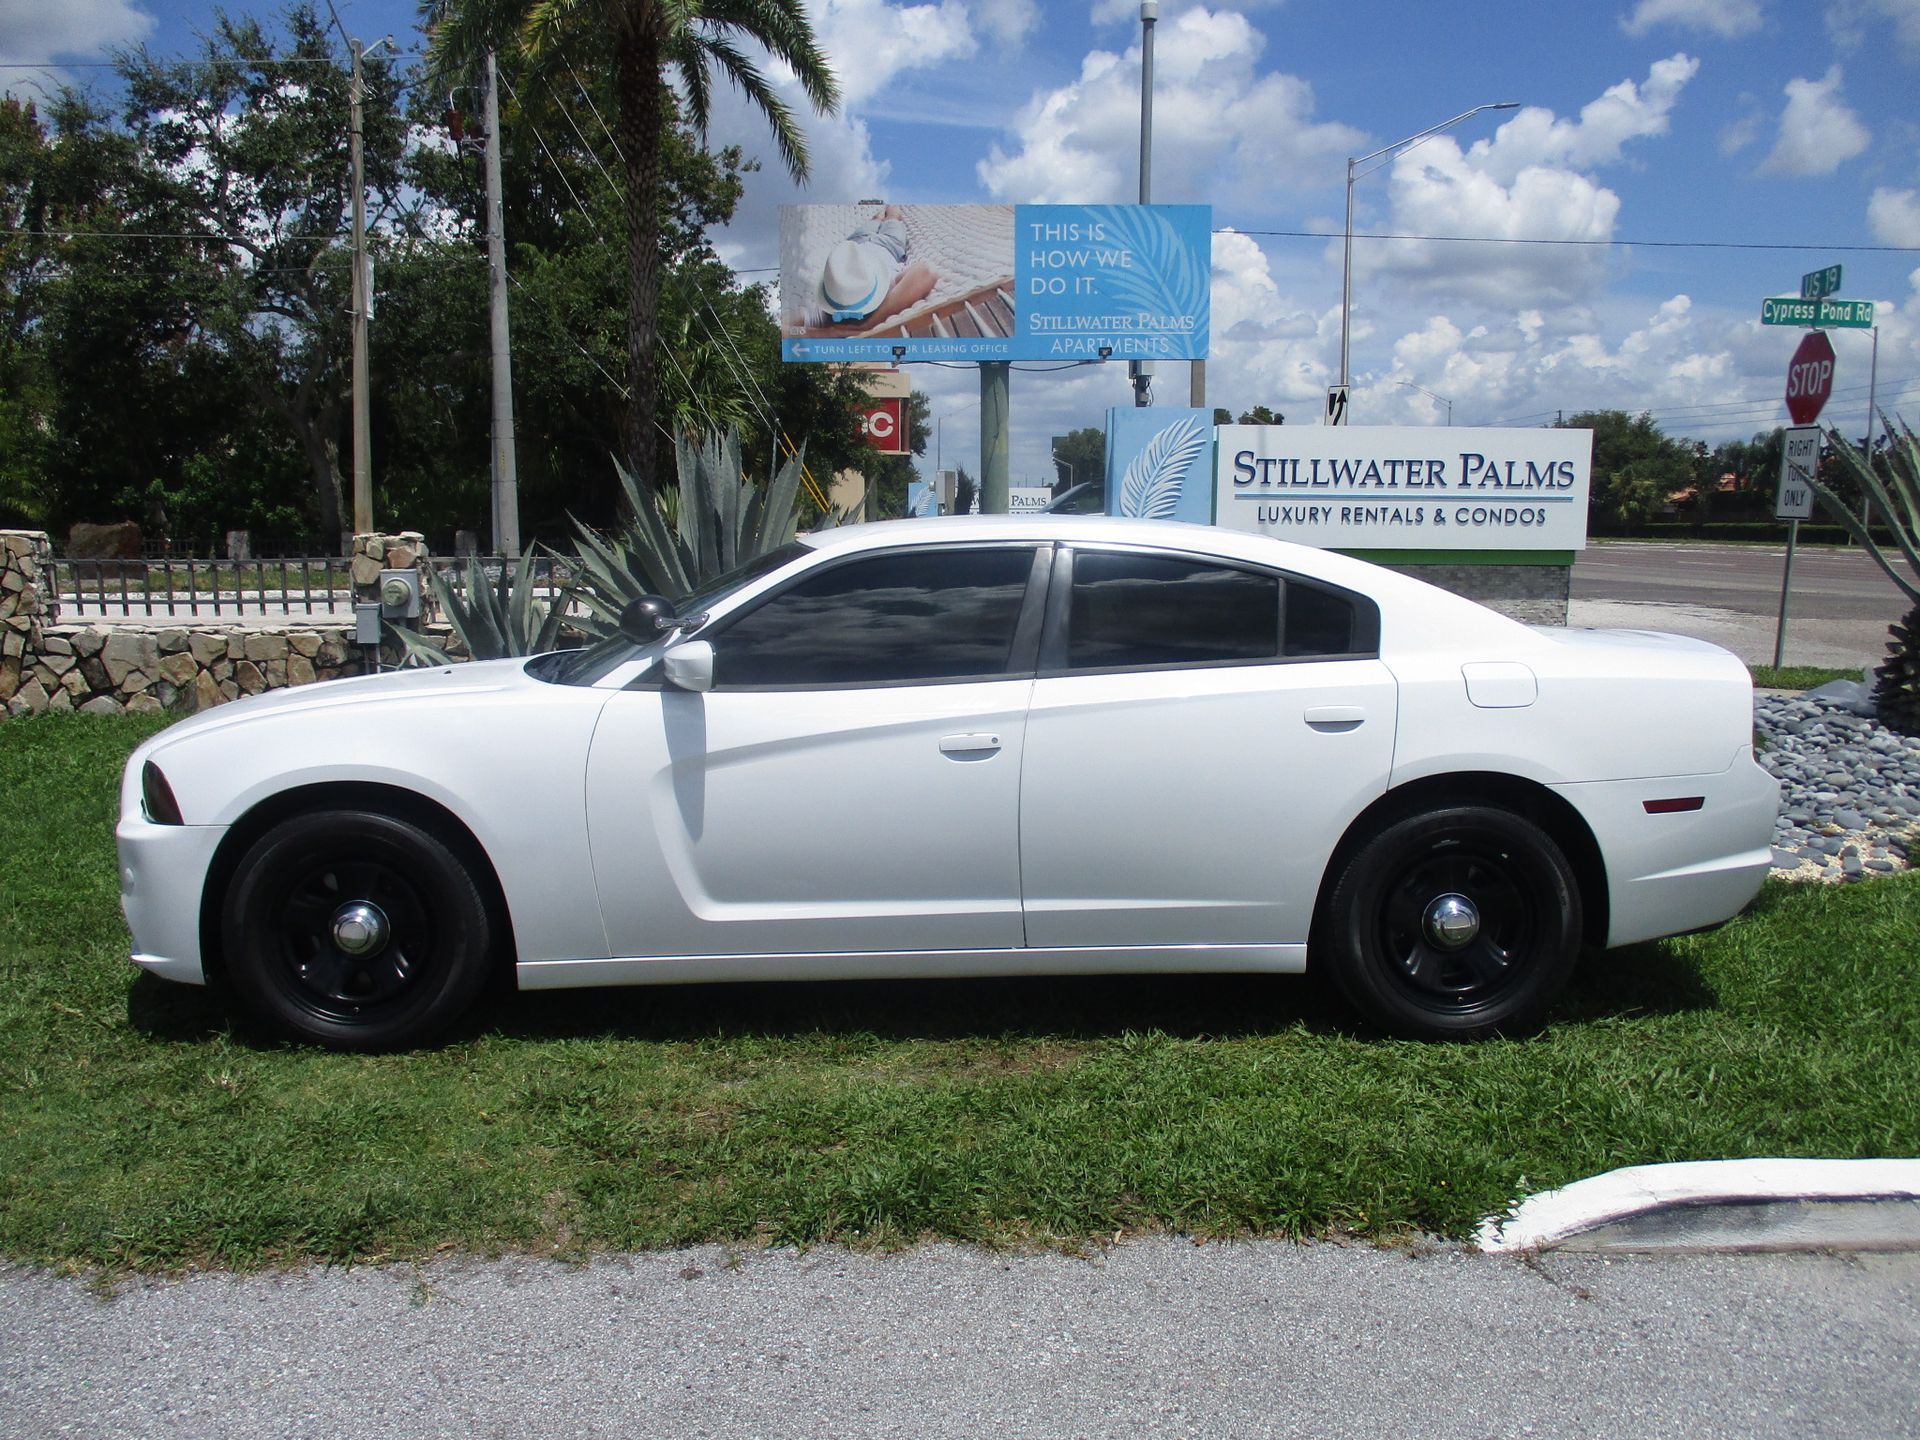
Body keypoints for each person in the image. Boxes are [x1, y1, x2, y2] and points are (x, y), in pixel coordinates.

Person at [818, 205, 936, 328]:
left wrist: (831, 331)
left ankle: (880, 202)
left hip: (856, 243)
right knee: (893, 217)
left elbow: (798, 325)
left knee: (876, 218)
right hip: (889, 244)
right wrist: (868, 325)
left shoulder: (835, 290)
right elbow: (927, 271)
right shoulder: (887, 291)